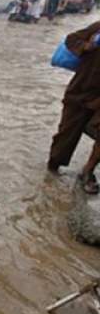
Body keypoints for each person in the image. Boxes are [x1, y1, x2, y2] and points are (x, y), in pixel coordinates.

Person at [48, 20, 100, 193]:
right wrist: (86, 46)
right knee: (66, 135)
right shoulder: (98, 27)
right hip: (79, 91)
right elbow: (71, 40)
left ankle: (88, 171)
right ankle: (51, 170)